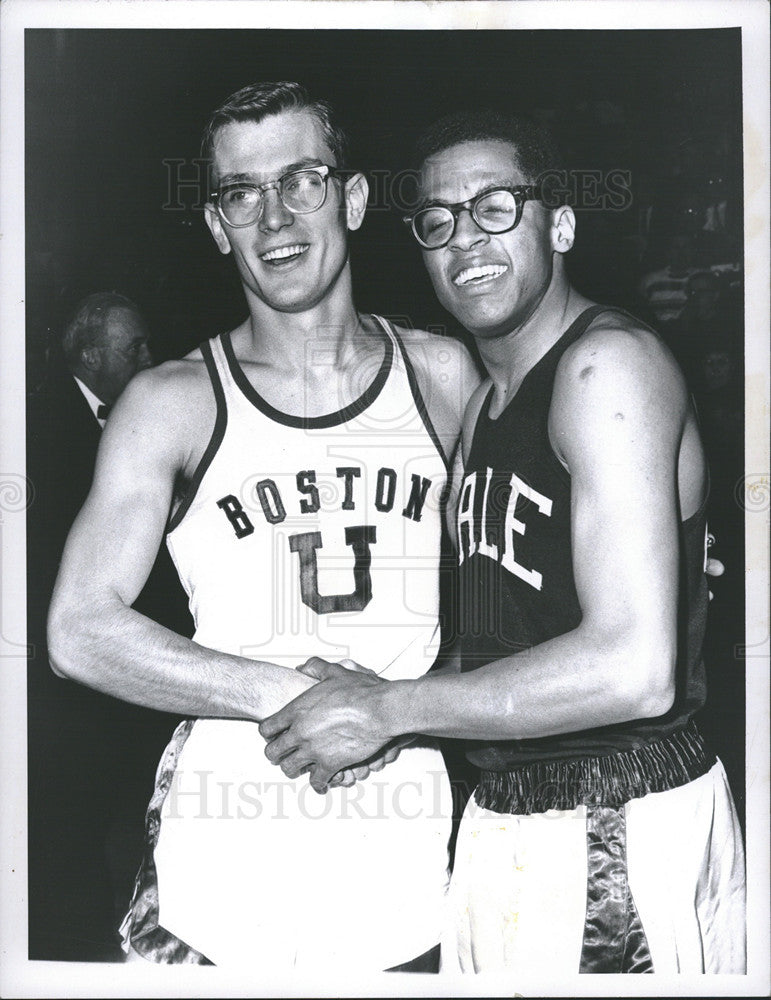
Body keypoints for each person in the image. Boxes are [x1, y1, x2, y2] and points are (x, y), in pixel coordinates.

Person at [259, 110, 746, 975]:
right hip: (507, 808)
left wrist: (386, 709)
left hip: (615, 810)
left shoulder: (606, 368)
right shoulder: (483, 404)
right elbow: (511, 636)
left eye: (494, 208)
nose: (463, 240)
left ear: (558, 224)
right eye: (437, 221)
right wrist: (370, 695)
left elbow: (634, 668)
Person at [47, 83, 480, 971]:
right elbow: (77, 631)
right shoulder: (168, 402)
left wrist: (397, 711)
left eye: (303, 181)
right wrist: (288, 698)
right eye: (241, 193)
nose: (275, 216)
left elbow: (521, 604)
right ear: (216, 225)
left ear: (352, 199)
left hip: (407, 875)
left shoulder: (441, 375)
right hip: (220, 881)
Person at [27, 292, 190, 961]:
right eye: (136, 348)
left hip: (117, 674)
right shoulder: (41, 427)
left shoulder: (132, 424)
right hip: (58, 685)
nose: (150, 359)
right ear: (91, 355)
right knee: (71, 832)